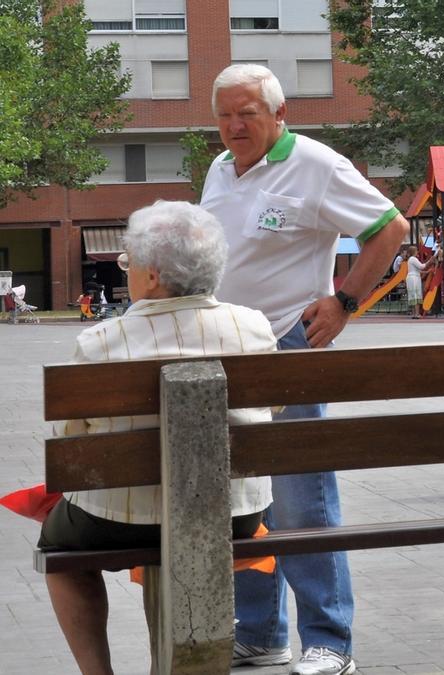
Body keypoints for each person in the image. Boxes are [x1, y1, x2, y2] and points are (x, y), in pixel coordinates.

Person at [201, 64, 409, 675]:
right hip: (227, 346)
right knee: (247, 499)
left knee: (301, 501)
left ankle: (330, 640)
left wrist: (344, 301)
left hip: (287, 344)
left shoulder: (316, 164)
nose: (235, 126)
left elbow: (389, 227)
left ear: (279, 112)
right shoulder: (219, 169)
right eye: (224, 115)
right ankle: (261, 631)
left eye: (248, 113)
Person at [39, 201, 276, 675]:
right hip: (234, 514)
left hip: (121, 519)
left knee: (57, 550)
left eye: (127, 262)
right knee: (177, 525)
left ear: (151, 276)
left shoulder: (101, 342)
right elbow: (271, 408)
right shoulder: (251, 327)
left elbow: (72, 439)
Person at [403, 245, 436, 318]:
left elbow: (418, 270)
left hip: (412, 277)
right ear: (414, 252)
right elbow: (422, 266)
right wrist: (430, 261)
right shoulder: (413, 259)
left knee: (413, 295)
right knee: (416, 295)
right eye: (417, 250)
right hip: (414, 278)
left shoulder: (410, 259)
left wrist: (427, 272)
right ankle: (417, 314)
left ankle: (414, 313)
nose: (418, 252)